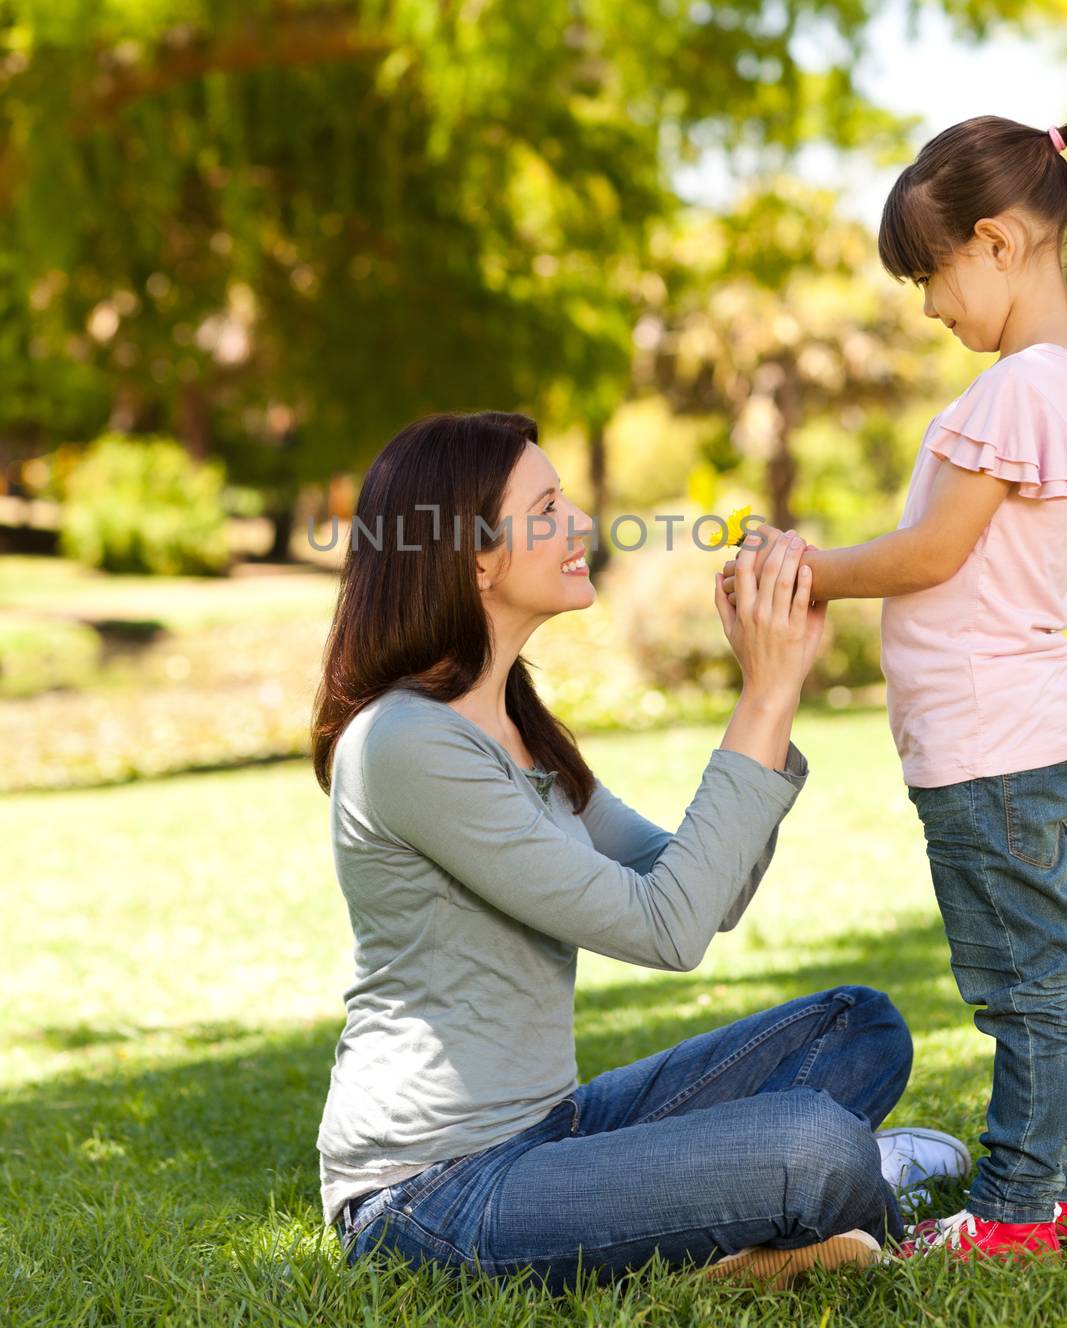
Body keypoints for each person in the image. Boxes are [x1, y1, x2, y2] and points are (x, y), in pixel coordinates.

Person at [311, 408, 963, 1294]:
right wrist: (762, 697)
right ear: (474, 556)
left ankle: (772, 1211)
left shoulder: (515, 728)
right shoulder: (404, 745)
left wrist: (771, 695)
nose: (580, 526)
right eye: (546, 511)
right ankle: (850, 1195)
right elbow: (668, 928)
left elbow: (704, 889)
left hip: (553, 1128)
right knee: (811, 1146)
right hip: (434, 1196)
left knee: (859, 1024)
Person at [724, 115, 1067, 1262]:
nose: (928, 306)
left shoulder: (1016, 391)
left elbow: (929, 556)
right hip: (1027, 737)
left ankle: (1018, 1215)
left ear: (998, 242)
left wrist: (797, 565)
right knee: (1047, 977)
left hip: (988, 752)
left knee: (1024, 989)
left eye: (931, 274)